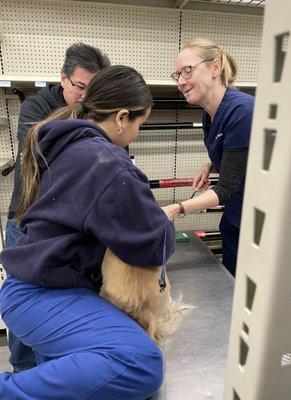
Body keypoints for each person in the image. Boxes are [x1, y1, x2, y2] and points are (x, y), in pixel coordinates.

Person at [0, 65, 175, 399]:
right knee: (141, 363)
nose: (137, 132)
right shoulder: (106, 162)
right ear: (123, 117)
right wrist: (162, 221)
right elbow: (151, 246)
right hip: (44, 295)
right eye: (140, 123)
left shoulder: (67, 144)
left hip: (32, 289)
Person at [5, 42, 111, 373]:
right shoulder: (36, 107)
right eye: (79, 87)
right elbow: (42, 152)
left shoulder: (91, 109)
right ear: (62, 78)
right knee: (26, 308)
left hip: (67, 229)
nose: (84, 97)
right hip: (26, 223)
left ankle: (53, 377)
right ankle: (24, 373)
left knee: (59, 310)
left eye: (92, 91)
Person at [163, 37, 254, 277]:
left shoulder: (242, 111)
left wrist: (177, 208)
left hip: (258, 225)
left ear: (215, 67)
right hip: (237, 216)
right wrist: (212, 165)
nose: (181, 82)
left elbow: (226, 188)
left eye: (188, 71)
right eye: (177, 75)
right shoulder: (209, 114)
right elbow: (243, 155)